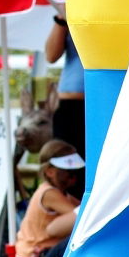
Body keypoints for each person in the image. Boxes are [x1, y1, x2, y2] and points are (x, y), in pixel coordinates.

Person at [15, 139, 83, 257]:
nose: (71, 176)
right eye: (66, 172)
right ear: (50, 172)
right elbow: (81, 214)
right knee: (75, 240)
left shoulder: (61, 193)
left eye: (73, 171)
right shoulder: (48, 193)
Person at [45, 12, 85, 160]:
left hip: (104, 99)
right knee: (63, 167)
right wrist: (62, 18)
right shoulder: (73, 1)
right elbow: (51, 56)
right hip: (70, 102)